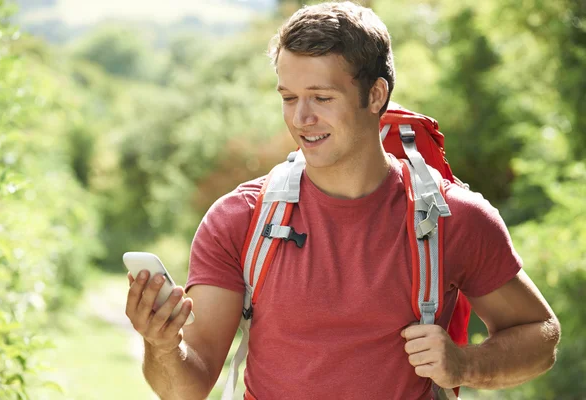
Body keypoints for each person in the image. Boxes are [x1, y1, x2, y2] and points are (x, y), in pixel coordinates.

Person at [124, 2, 561, 399]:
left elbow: (540, 337)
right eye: (289, 98)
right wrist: (162, 345)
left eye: (322, 98)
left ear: (375, 95)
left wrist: (466, 364)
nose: (301, 118)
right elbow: (187, 385)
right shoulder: (239, 219)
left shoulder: (452, 219)